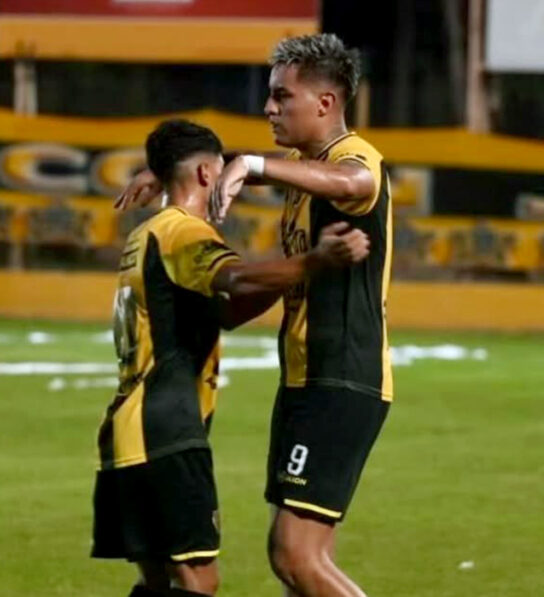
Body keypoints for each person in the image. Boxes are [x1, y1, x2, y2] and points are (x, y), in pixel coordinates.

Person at [116, 34, 393, 597]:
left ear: (325, 103)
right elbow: (241, 175)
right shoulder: (301, 170)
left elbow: (355, 182)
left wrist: (252, 164)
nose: (269, 108)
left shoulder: (354, 157)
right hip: (304, 379)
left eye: (281, 96)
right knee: (305, 563)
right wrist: (170, 174)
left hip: (341, 375)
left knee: (294, 556)